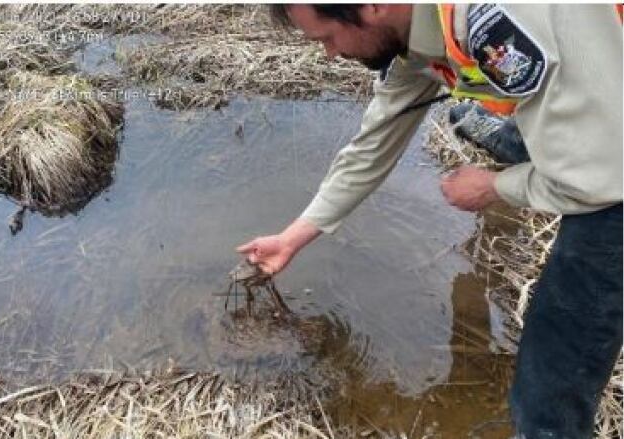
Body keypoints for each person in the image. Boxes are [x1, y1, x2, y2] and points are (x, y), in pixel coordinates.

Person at [236, 5, 623, 438]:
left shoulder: (495, 23)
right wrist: (292, 238)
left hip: (613, 159)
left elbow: (600, 179)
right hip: (586, 93)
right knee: (523, 118)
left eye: (326, 37)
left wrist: (495, 186)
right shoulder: (413, 31)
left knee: (548, 378)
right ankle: (509, 129)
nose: (329, 54)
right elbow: (374, 143)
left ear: (374, 6)